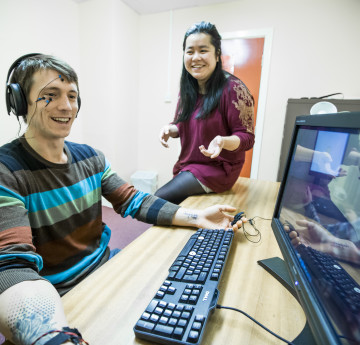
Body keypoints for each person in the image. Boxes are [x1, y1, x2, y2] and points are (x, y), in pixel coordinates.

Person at [0, 54, 245, 345]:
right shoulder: (7, 171)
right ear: (19, 102)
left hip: (105, 268)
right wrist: (54, 338)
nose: (66, 106)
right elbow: (12, 266)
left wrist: (197, 217)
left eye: (72, 96)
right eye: (49, 96)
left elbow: (132, 200)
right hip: (58, 296)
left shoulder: (91, 157)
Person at [155, 21, 255, 204]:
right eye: (190, 51)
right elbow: (182, 123)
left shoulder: (234, 88)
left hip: (218, 168)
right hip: (189, 165)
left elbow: (247, 138)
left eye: (203, 50)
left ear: (217, 55)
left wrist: (223, 141)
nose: (195, 57)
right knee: (172, 207)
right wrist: (171, 129)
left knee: (157, 200)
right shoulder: (188, 89)